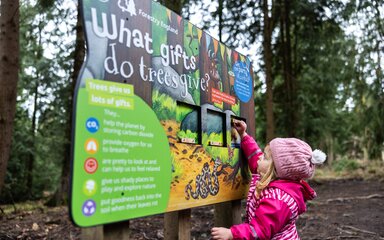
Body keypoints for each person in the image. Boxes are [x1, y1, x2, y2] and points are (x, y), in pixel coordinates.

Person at [211, 120, 326, 240]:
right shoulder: (271, 177)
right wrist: (244, 135)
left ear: (275, 169)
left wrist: (232, 234)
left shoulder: (279, 200)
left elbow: (260, 229)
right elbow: (256, 156)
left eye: (265, 157)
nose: (260, 157)